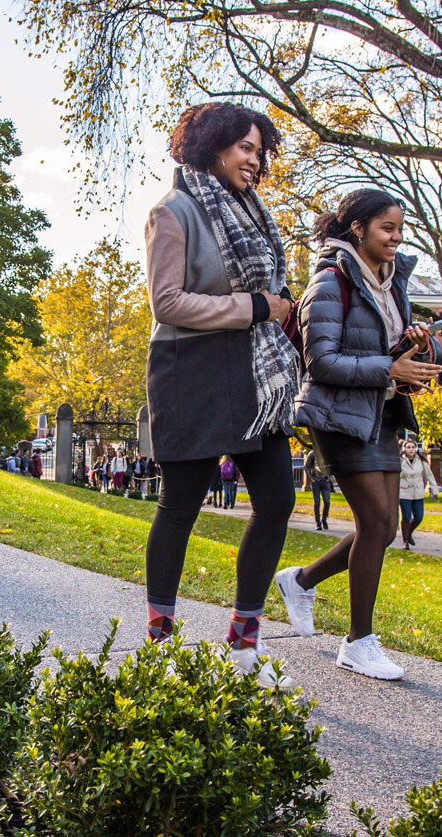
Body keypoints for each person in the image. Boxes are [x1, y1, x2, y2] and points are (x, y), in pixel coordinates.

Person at [142, 102, 302, 691]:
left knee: (278, 501)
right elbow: (168, 302)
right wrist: (256, 307)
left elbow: (273, 293)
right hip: (194, 371)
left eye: (261, 151)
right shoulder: (173, 211)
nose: (256, 162)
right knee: (181, 504)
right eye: (246, 148)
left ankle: (242, 644)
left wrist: (282, 312)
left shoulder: (253, 214)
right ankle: (159, 642)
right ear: (213, 145)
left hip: (256, 377)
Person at [275, 187, 442, 682]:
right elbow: (321, 360)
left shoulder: (392, 284)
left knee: (385, 529)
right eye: (387, 229)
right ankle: (358, 642)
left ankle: (301, 581)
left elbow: (377, 347)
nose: (396, 238)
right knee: (375, 524)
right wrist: (390, 369)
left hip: (384, 415)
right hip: (341, 418)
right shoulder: (329, 283)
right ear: (358, 229)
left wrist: (410, 343)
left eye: (399, 230)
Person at [402, 439, 441, 548]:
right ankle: (405, 541)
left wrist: (434, 490)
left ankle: (409, 533)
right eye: (408, 447)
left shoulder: (421, 461)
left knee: (419, 516)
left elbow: (429, 476)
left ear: (416, 449)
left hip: (418, 492)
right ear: (404, 449)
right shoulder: (400, 461)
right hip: (404, 492)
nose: (411, 449)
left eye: (413, 447)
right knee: (406, 517)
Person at [304, 449, 332, 531]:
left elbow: (331, 466)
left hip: (325, 481)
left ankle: (324, 520)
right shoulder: (312, 453)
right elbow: (306, 467)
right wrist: (311, 479)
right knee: (317, 503)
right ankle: (318, 523)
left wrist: (329, 478)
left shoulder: (327, 453)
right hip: (315, 481)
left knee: (327, 502)